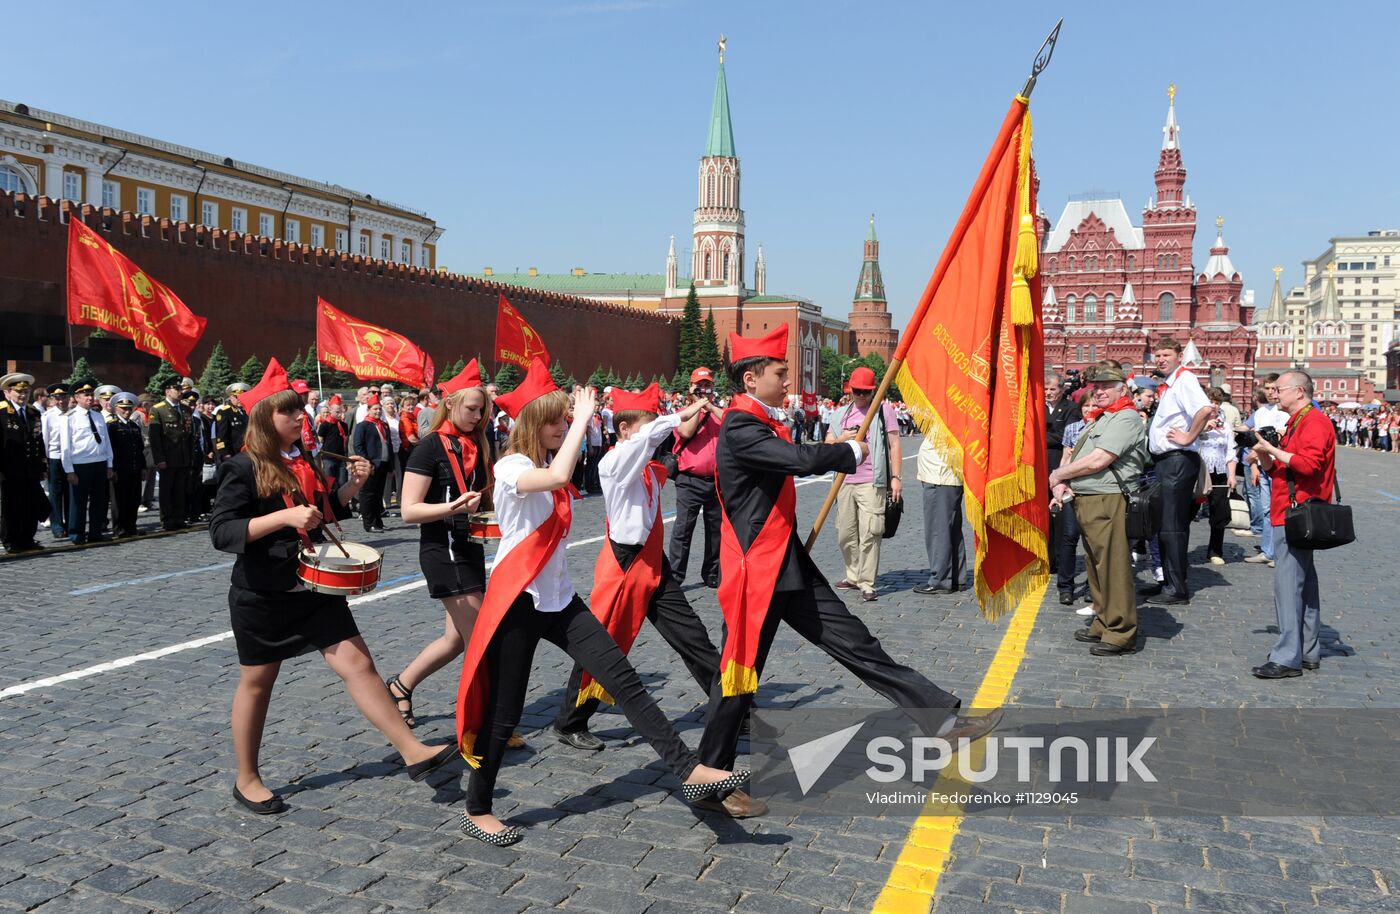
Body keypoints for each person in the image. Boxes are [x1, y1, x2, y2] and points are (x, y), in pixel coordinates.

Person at [695, 326, 998, 815]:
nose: (784, 379)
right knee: (738, 676)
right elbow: (793, 460)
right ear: (751, 379)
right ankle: (710, 777)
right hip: (757, 572)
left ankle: (939, 718)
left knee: (855, 642)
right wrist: (847, 451)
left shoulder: (759, 420)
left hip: (785, 562)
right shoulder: (739, 426)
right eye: (777, 372)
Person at [455, 360, 745, 844]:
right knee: (506, 713)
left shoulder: (547, 463)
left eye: (564, 420)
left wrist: (672, 420)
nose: (562, 427)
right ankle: (477, 805)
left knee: (624, 681)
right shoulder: (513, 466)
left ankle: (688, 770)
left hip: (560, 600)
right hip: (517, 603)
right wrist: (586, 420)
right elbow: (559, 476)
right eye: (554, 420)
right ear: (531, 423)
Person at [209, 383, 457, 814]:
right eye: (288, 413)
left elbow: (322, 515)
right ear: (267, 419)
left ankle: (412, 751)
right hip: (264, 595)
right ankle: (246, 778)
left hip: (313, 587)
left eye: (298, 411)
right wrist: (282, 517)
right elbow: (223, 532)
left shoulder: (300, 459)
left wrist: (352, 487)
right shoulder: (241, 466)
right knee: (258, 684)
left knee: (359, 665)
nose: (298, 418)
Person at [551, 384, 721, 751]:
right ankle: (570, 720)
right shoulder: (615, 462)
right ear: (625, 429)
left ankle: (732, 711)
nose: (652, 434)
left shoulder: (644, 464)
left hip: (653, 561)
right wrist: (679, 416)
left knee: (693, 636)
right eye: (644, 426)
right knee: (605, 645)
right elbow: (655, 435)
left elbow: (663, 457)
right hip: (624, 564)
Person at [385, 362, 522, 749]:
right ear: (451, 405)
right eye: (471, 409)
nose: (478, 417)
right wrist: (453, 508)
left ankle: (400, 686)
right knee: (482, 638)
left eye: (483, 410)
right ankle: (482, 723)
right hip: (442, 551)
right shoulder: (429, 447)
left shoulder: (479, 443)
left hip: (469, 548)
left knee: (455, 640)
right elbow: (410, 511)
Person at [1049, 367, 1148, 655]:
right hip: (1090, 498)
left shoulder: (1125, 418)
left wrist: (1058, 475)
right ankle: (1104, 621)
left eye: (1107, 386)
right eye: (1097, 387)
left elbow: (1098, 459)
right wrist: (1064, 481)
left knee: (1113, 567)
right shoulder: (1104, 417)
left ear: (1123, 390)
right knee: (1096, 566)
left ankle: (1121, 632)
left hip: (1109, 499)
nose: (1100, 391)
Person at [1249, 369, 1336, 679]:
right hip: (1293, 509)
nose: (1275, 394)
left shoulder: (1313, 421)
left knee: (1288, 586)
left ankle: (1287, 656)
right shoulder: (1299, 421)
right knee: (1304, 584)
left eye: (1280, 389)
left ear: (1299, 392)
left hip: (1295, 512)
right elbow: (1283, 469)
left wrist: (1272, 450)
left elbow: (1308, 465)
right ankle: (1308, 650)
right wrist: (1263, 455)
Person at [1143, 338, 1213, 606]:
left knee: (1171, 525)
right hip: (1167, 461)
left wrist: (1188, 437)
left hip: (1177, 460)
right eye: (1157, 355)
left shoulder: (1184, 379)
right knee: (1164, 523)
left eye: (1166, 355)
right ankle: (1167, 582)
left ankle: (1176, 588)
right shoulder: (1172, 382)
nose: (1160, 359)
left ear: (1179, 355)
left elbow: (1205, 409)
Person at [825, 366, 902, 601]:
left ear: (873, 391)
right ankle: (853, 575)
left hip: (872, 481)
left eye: (865, 392)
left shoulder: (882, 411)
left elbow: (895, 444)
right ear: (850, 390)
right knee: (845, 534)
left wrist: (896, 478)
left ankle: (867, 582)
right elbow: (827, 444)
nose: (860, 396)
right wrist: (841, 439)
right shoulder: (840, 414)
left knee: (871, 531)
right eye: (856, 391)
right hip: (844, 481)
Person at [666, 367, 725, 587]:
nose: (703, 389)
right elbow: (686, 432)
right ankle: (676, 576)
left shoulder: (719, 411)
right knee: (683, 529)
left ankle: (712, 573)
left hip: (717, 481)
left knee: (716, 530)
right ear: (691, 388)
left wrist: (710, 406)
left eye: (707, 385)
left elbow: (731, 422)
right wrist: (698, 406)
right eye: (699, 386)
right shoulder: (683, 412)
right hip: (689, 481)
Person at [57, 380, 114, 546]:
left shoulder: (98, 416)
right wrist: (69, 470)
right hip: (80, 464)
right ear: (76, 397)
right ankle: (76, 533)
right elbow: (65, 446)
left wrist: (109, 463)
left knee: (98, 500)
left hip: (99, 462)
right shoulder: (69, 418)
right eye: (85, 395)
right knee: (78, 502)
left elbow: (106, 442)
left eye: (91, 394)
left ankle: (95, 532)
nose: (90, 398)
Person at [912, 430, 966, 595]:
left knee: (938, 530)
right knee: (951, 530)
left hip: (940, 474)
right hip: (946, 473)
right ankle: (956, 577)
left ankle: (941, 579)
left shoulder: (946, 410)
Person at [1, 372, 49, 554]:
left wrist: (42, 465)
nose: (23, 396)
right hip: (9, 470)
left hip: (31, 468)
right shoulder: (2, 412)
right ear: (7, 393)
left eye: (26, 392)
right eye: (19, 392)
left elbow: (38, 439)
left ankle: (27, 538)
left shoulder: (32, 412)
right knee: (11, 507)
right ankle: (10, 540)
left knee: (31, 505)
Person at [1243, 375, 1287, 568]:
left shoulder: (1284, 412)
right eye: (1267, 388)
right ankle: (1267, 551)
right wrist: (1253, 464)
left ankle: (1279, 552)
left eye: (1274, 388)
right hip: (1262, 465)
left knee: (1280, 510)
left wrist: (1254, 453)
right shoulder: (1261, 412)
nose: (1270, 392)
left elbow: (1278, 439)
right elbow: (1253, 438)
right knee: (1267, 509)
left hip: (1278, 466)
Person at [149, 378, 195, 531]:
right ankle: (167, 519)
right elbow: (155, 438)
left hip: (183, 456)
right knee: (167, 490)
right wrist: (159, 459)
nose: (180, 392)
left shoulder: (185, 409)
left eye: (181, 389)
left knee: (180, 489)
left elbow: (189, 436)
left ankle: (179, 517)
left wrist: (190, 457)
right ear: (167, 391)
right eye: (177, 389)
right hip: (168, 457)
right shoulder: (158, 409)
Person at [1199, 388, 1236, 566]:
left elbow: (1230, 451)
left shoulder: (1225, 426)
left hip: (1219, 472)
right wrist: (1202, 428)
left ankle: (1215, 551)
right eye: (1211, 401)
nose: (1214, 405)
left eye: (1217, 402)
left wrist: (1232, 475)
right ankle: (1180, 550)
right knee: (1188, 512)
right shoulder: (1195, 422)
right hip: (1199, 472)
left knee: (1219, 513)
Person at [107, 392, 147, 538]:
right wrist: (112, 468)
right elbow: (110, 450)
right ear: (116, 408)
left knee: (134, 498)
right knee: (119, 500)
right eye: (123, 408)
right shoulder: (112, 426)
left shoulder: (134, 426)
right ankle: (119, 528)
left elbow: (140, 449)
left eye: (129, 408)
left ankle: (131, 526)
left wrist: (143, 467)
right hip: (120, 470)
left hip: (134, 468)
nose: (127, 411)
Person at [351, 395, 393, 532]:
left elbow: (389, 444)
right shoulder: (363, 425)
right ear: (369, 409)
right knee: (368, 495)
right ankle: (369, 523)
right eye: (375, 409)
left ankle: (378, 522)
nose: (378, 412)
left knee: (378, 495)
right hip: (371, 465)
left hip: (383, 464)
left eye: (379, 409)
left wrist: (390, 463)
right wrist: (368, 462)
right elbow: (358, 445)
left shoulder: (383, 425)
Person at [40, 382, 71, 540]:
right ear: (53, 399)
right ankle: (57, 526)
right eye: (58, 398)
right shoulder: (48, 416)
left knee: (70, 493)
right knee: (55, 493)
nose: (61, 401)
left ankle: (71, 524)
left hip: (72, 459)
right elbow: (44, 439)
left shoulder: (73, 414)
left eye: (64, 397)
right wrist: (44, 462)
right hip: (55, 458)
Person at [317, 400, 350, 488]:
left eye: (341, 412)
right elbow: (320, 440)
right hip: (328, 457)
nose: (340, 414)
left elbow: (345, 440)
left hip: (341, 457)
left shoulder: (344, 425)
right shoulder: (325, 425)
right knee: (329, 483)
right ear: (330, 410)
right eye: (337, 412)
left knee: (342, 482)